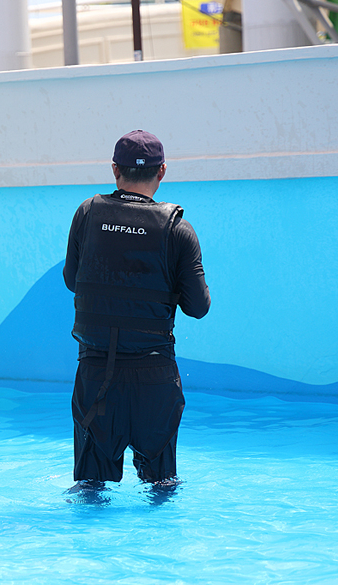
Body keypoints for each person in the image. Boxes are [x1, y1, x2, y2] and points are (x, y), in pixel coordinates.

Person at [63, 130, 210, 492]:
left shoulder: (87, 214)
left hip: (96, 376)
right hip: (154, 378)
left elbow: (72, 280)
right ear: (162, 172)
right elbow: (198, 307)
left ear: (115, 169)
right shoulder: (178, 230)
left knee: (90, 490)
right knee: (162, 487)